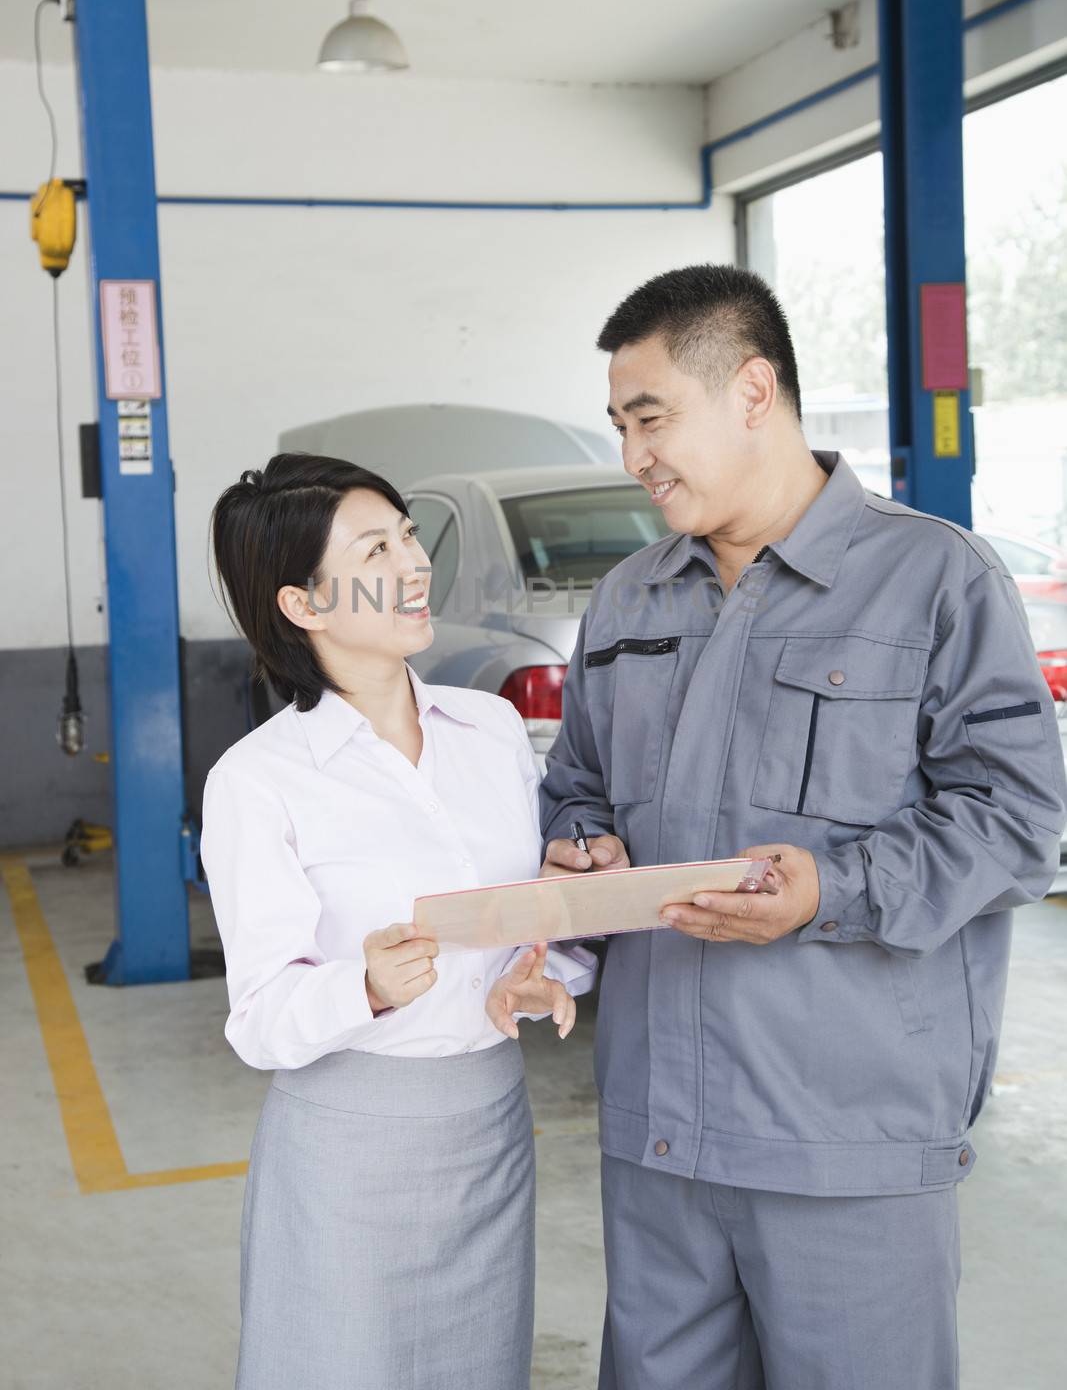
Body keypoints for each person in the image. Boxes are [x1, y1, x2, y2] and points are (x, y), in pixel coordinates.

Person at [540, 264, 1066, 1390]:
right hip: (657, 1135)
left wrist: (830, 889)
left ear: (750, 390)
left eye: (650, 418)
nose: (632, 454)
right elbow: (577, 777)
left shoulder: (932, 580)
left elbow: (1019, 819)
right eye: (618, 425)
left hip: (843, 1137)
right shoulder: (629, 598)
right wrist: (581, 839)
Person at [200, 452, 596, 1390]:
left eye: (409, 535)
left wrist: (543, 972)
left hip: (491, 1132)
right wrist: (364, 986)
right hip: (349, 1151)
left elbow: (523, 913)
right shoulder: (259, 782)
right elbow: (257, 1017)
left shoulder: (488, 729)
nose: (415, 564)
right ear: (303, 604)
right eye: (377, 547)